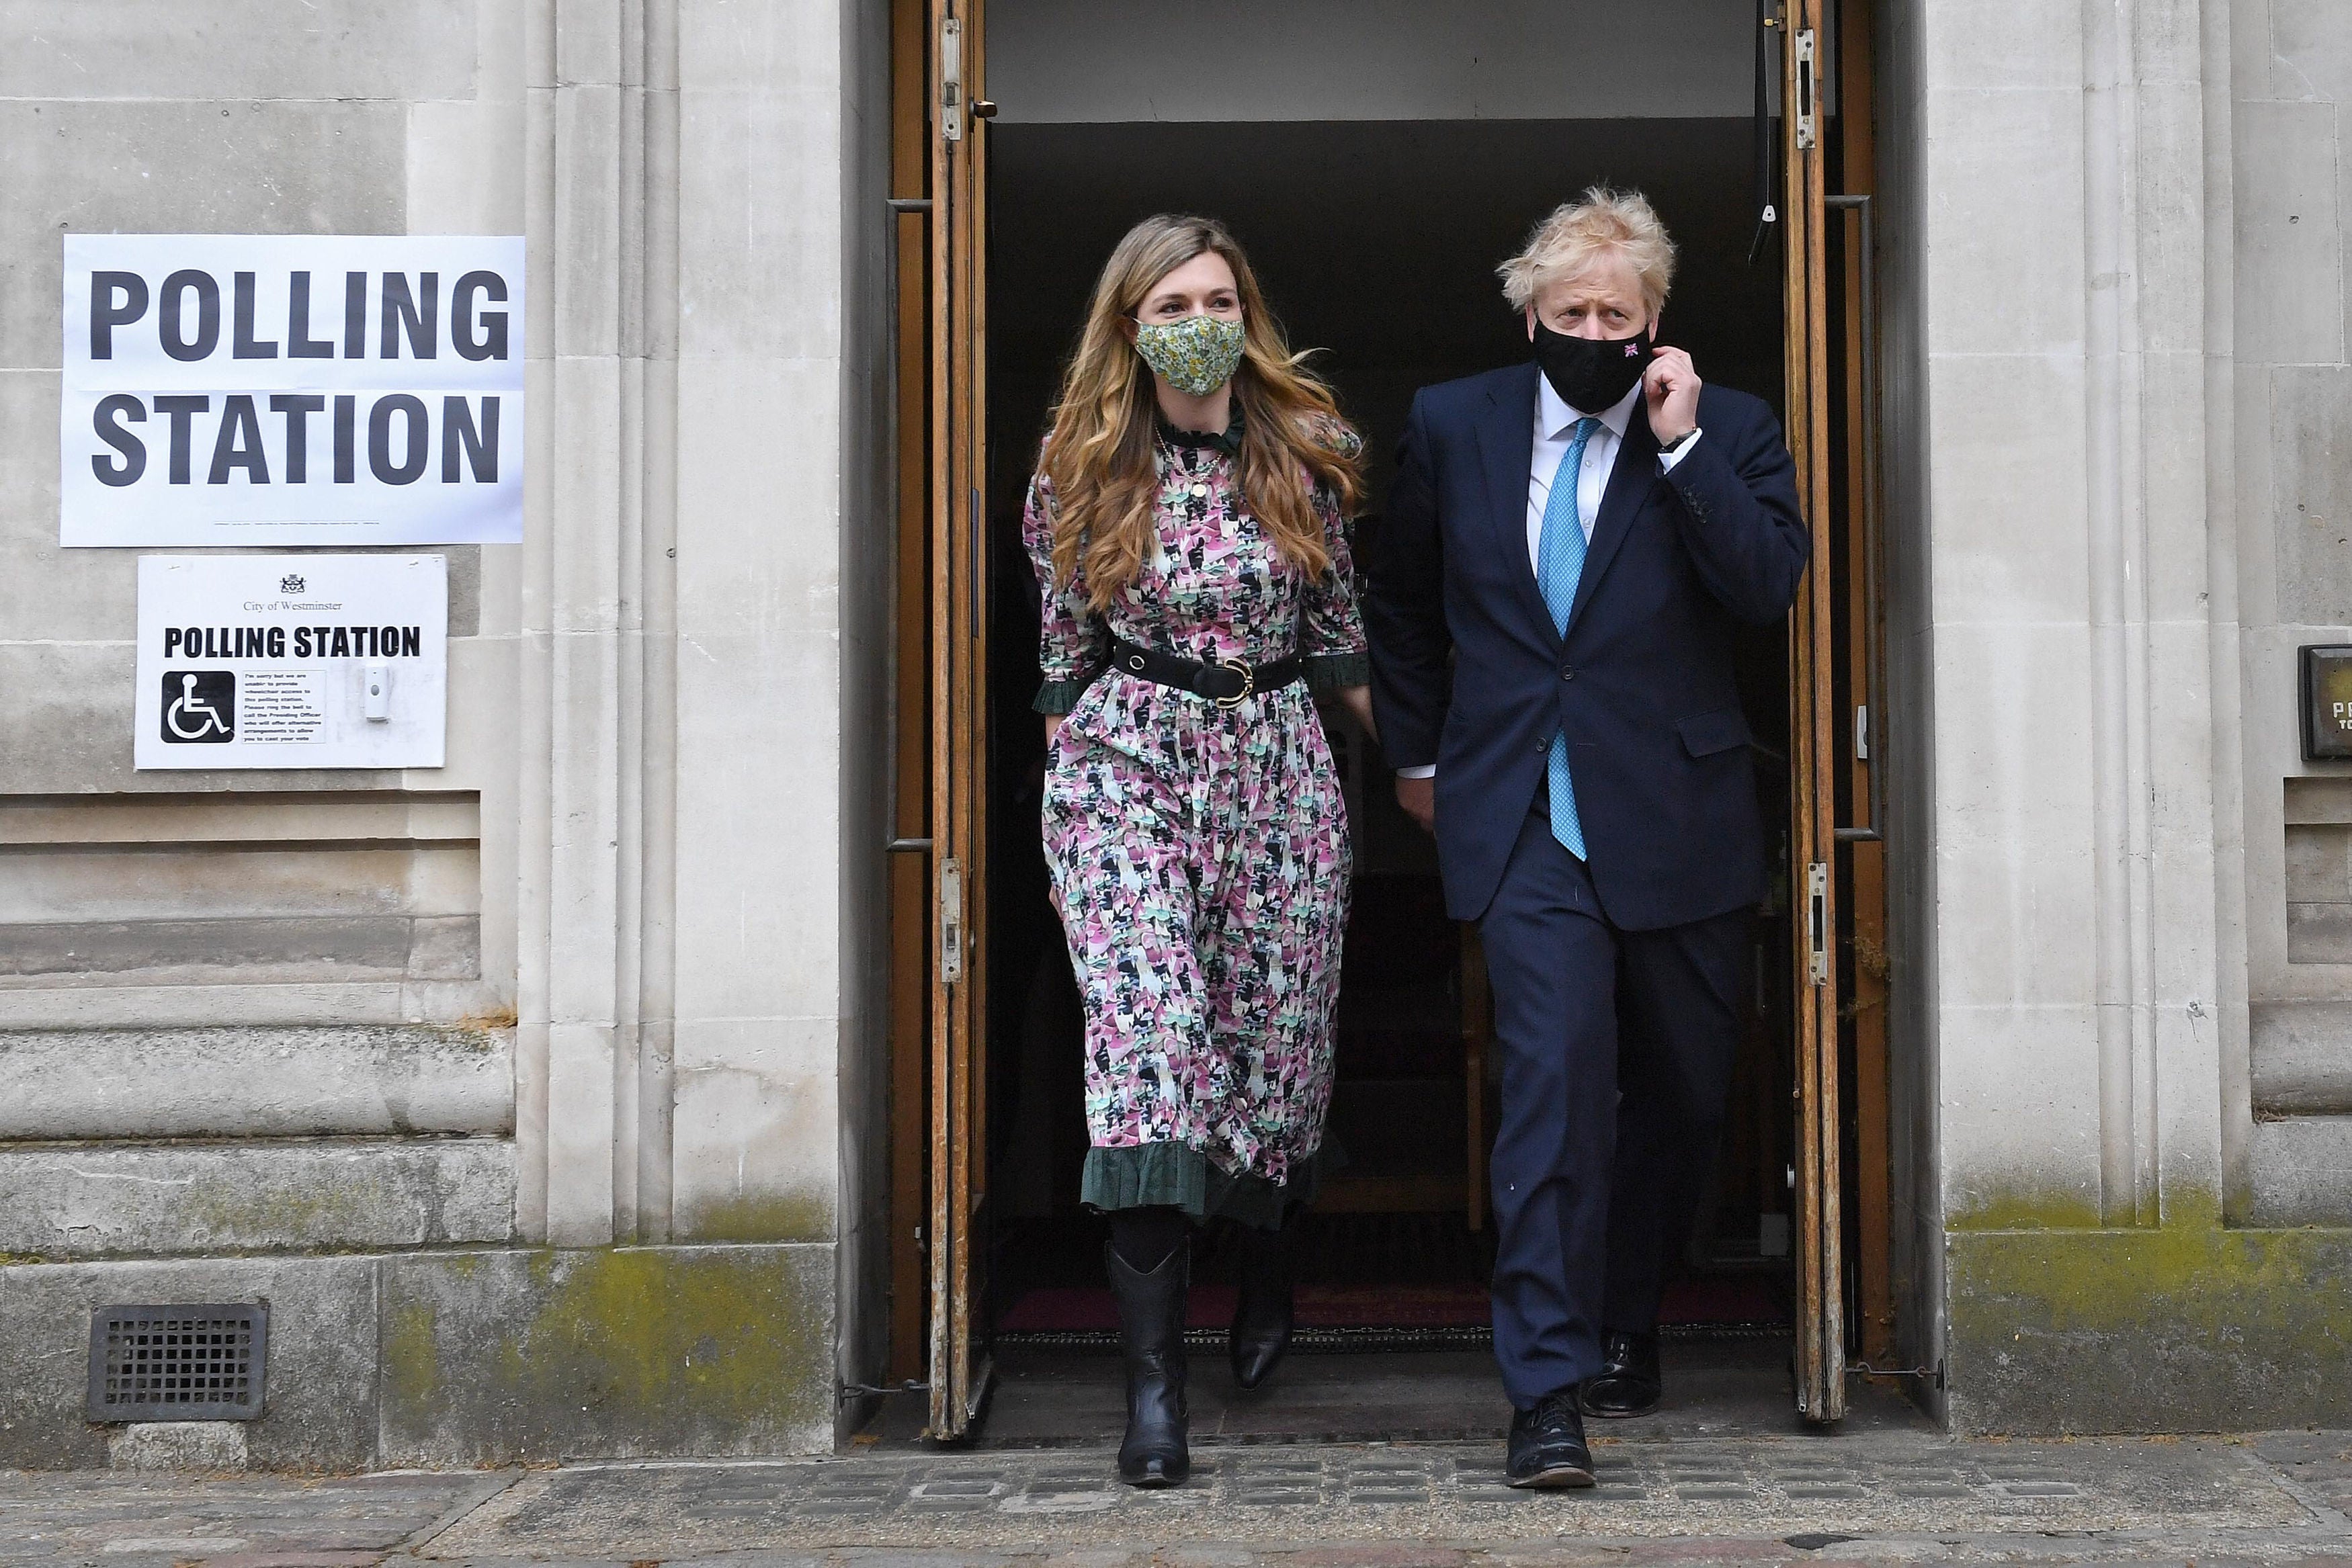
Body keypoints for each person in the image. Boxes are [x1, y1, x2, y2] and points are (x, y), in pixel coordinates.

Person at [1364, 187, 1807, 1487]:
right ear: (1530, 315)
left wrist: (1679, 451)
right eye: (1573, 311)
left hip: (1678, 817)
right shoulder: (1457, 425)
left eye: (1619, 313)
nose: (1594, 329)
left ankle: (1629, 1313)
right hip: (1522, 821)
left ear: (1656, 322)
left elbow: (1769, 587)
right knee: (1552, 1095)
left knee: (1678, 1094)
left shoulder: (1727, 429)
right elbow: (1400, 600)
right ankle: (1546, 1398)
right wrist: (1424, 755)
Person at [1023, 213, 1376, 1488]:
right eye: (1173, 300)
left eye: (1220, 296)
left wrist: (1433, 779)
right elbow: (1063, 659)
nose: (1200, 319)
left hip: (1279, 765)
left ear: (1248, 311)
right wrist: (1073, 802)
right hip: (1127, 761)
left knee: (1274, 1057)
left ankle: (1269, 1254)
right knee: (1152, 1055)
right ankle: (1153, 1401)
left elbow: (1343, 641)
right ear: (1130, 324)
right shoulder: (1077, 469)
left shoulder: (1311, 451)